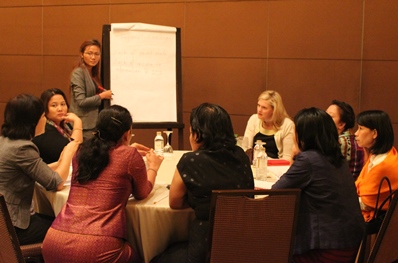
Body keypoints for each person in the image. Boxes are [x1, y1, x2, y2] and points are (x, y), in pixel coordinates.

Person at [42, 105, 164, 263]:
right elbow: (142, 192)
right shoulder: (128, 155)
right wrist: (153, 167)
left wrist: (126, 149)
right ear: (127, 134)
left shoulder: (82, 151)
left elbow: (108, 159)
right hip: (97, 248)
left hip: (53, 242)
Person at [151, 103, 255, 263]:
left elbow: (175, 202)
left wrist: (200, 201)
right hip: (241, 241)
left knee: (159, 256)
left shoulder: (191, 160)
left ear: (198, 134)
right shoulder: (240, 155)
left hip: (205, 247)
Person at [272, 107, 364, 263]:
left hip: (328, 249)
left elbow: (276, 192)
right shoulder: (336, 157)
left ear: (304, 135)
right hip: (350, 243)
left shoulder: (308, 159)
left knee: (271, 250)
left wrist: (296, 154)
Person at [0, 94, 79, 245]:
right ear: (32, 122)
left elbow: (34, 169)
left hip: (4, 221)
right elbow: (57, 183)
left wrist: (60, 161)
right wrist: (69, 152)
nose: (45, 120)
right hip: (13, 228)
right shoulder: (23, 148)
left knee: (54, 217)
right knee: (69, 227)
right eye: (43, 116)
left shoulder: (5, 141)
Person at [354, 110, 398, 222]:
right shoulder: (382, 154)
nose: (356, 133)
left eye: (360, 128)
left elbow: (366, 202)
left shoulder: (385, 164)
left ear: (374, 133)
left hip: (375, 220)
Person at [69, 39, 113, 139]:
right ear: (82, 54)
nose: (93, 57)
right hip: (82, 126)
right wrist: (102, 96)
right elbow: (81, 101)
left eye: (97, 54)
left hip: (92, 124)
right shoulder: (79, 72)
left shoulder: (93, 73)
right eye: (89, 53)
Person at [32, 88, 83, 164]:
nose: (60, 109)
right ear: (45, 108)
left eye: (63, 104)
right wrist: (78, 122)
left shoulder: (65, 124)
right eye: (54, 105)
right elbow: (74, 153)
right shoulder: (45, 129)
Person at [243, 90, 294, 161]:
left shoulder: (287, 125)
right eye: (258, 105)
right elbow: (246, 149)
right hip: (255, 165)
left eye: (264, 108)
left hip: (277, 168)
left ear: (274, 110)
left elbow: (287, 159)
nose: (259, 110)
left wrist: (264, 160)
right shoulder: (254, 119)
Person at [326, 100, 364, 180]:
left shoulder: (340, 142)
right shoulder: (350, 138)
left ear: (341, 124)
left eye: (330, 117)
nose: (323, 119)